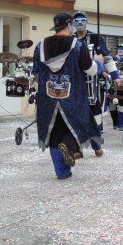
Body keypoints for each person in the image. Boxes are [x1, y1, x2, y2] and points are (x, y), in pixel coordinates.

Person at [32, 12, 103, 179]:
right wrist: (99, 63)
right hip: (73, 97)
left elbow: (36, 73)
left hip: (48, 98)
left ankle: (62, 172)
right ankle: (68, 145)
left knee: (54, 133)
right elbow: (90, 70)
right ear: (69, 26)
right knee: (78, 126)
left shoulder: (40, 46)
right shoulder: (78, 46)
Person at [72, 11, 120, 156]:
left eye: (82, 20)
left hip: (92, 82)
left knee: (95, 115)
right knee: (75, 116)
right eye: (77, 20)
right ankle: (77, 148)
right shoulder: (70, 39)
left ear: (86, 21)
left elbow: (107, 58)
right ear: (73, 23)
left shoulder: (95, 38)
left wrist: (115, 76)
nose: (79, 23)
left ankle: (96, 146)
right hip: (75, 83)